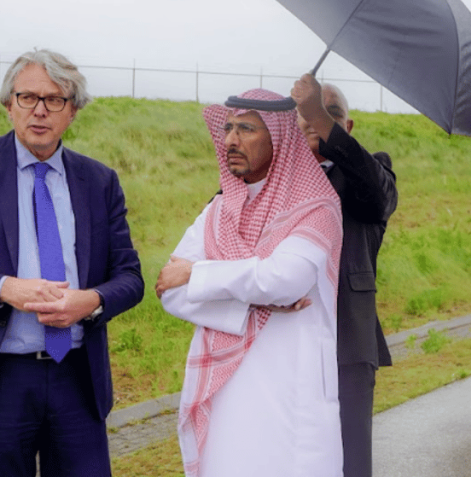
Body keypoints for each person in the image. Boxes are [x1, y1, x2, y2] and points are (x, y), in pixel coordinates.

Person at [0, 49, 145, 477]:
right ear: (8, 104)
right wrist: (6, 288)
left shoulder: (99, 180)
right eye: (27, 97)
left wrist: (91, 301)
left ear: (73, 111)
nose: (40, 110)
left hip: (77, 377)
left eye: (54, 99)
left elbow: (130, 277)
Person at [156, 89, 344, 477]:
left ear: (280, 137)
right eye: (228, 128)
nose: (231, 139)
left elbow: (284, 279)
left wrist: (197, 273)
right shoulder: (218, 211)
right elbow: (169, 291)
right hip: (226, 393)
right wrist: (247, 304)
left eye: (246, 129)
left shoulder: (316, 208)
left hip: (291, 390)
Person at [290, 74, 398, 477]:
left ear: (346, 127)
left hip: (347, 345)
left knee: (348, 460)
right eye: (303, 114)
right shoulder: (275, 182)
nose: (311, 120)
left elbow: (376, 195)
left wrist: (318, 115)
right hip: (283, 341)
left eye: (329, 113)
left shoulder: (369, 174)